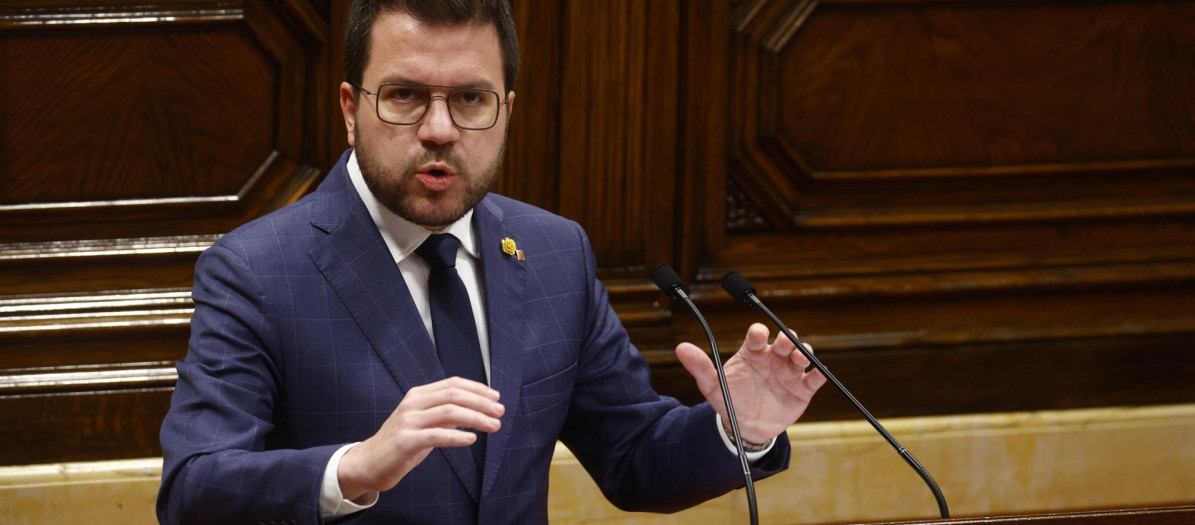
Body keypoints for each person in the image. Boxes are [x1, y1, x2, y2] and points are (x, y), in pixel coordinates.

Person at [156, 0, 827, 523]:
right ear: (350, 110)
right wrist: (355, 468)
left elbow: (633, 459)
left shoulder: (555, 254)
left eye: (470, 99)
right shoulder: (256, 270)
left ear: (506, 111)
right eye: (405, 96)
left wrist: (739, 431)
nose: (440, 128)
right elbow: (194, 487)